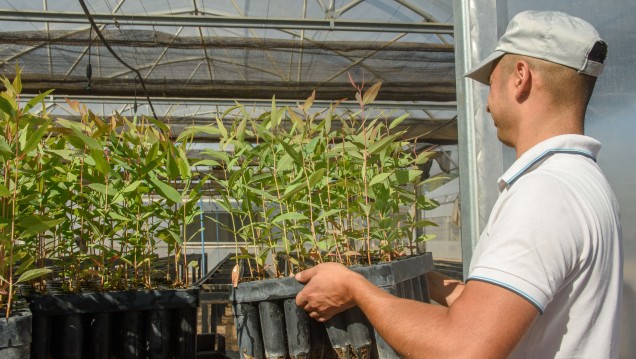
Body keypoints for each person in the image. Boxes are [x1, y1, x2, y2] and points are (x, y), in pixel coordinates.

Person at [295, 10, 622, 358]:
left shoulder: (543, 195)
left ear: (521, 78)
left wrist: (356, 289)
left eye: (492, 82)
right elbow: (514, 309)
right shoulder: (585, 182)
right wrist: (429, 283)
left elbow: (462, 349)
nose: (485, 105)